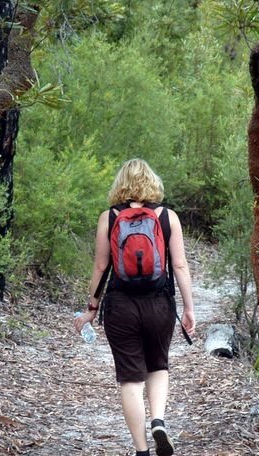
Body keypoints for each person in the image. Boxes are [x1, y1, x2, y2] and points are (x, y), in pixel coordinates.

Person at [74, 158, 196, 456]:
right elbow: (179, 265)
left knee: (130, 379)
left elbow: (102, 265)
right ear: (152, 183)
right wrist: (189, 308)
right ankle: (158, 420)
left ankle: (142, 451)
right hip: (159, 305)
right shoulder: (168, 217)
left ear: (120, 184)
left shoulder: (110, 217)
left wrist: (92, 305)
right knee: (158, 365)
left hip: (121, 305)